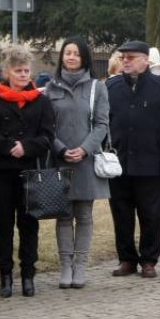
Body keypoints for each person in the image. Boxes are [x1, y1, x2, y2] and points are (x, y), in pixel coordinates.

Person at [0, 45, 55, 298]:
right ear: (7, 72)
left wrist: (27, 147)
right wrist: (9, 146)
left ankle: (28, 274)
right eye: (18, 71)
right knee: (3, 225)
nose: (23, 75)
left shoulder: (41, 101)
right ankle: (6, 275)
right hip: (1, 169)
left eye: (26, 71)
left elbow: (47, 135)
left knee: (29, 224)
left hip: (29, 169)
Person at [107, 40, 160, 279]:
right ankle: (127, 259)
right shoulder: (112, 87)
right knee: (121, 213)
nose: (126, 61)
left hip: (151, 163)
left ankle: (149, 259)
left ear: (144, 60)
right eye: (123, 57)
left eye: (131, 57)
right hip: (119, 164)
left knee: (152, 215)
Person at [45, 37, 110, 289]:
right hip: (59, 159)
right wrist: (61, 149)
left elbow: (102, 124)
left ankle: (80, 266)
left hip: (85, 161)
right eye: (67, 53)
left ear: (84, 58)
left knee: (84, 215)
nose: (70, 57)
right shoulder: (50, 88)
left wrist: (84, 149)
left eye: (76, 54)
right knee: (63, 216)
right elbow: (46, 126)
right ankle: (65, 266)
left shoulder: (97, 87)